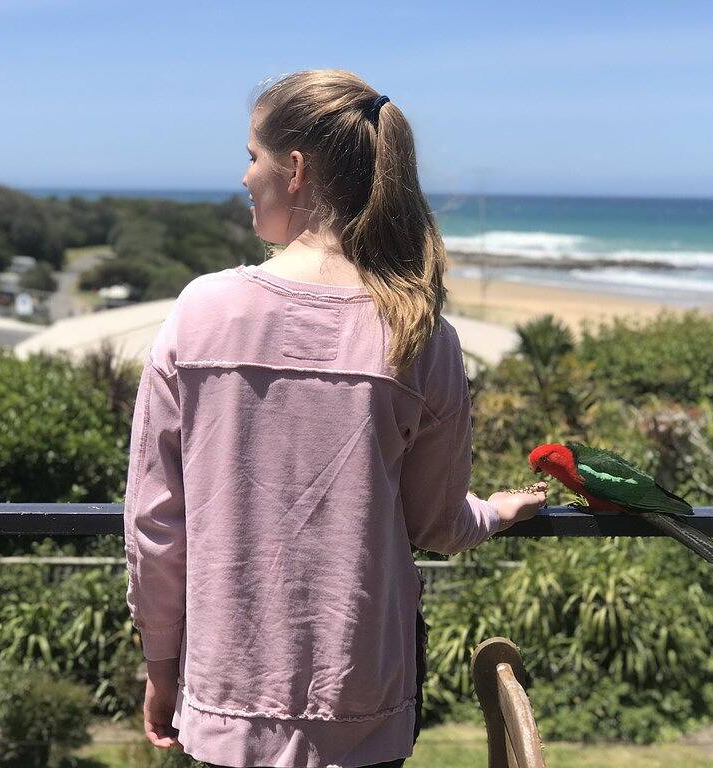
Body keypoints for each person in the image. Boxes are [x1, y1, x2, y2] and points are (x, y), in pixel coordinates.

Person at [123, 68, 546, 768]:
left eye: (252, 156)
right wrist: (497, 513)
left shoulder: (200, 312)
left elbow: (156, 526)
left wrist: (162, 669)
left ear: (295, 169)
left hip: (226, 703)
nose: (243, 176)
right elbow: (438, 524)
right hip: (366, 706)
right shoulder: (420, 333)